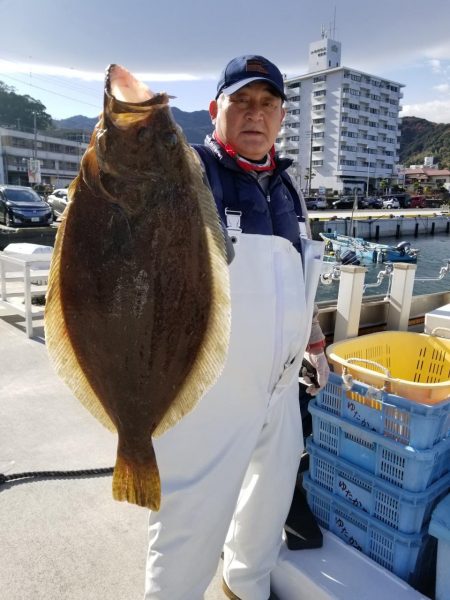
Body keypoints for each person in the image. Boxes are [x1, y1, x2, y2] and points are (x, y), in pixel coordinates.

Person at [144, 54, 330, 600]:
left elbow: (296, 280)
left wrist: (314, 340)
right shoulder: (189, 173)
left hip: (278, 386)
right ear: (214, 111)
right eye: (241, 102)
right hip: (207, 389)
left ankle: (242, 590)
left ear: (280, 117)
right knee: (187, 528)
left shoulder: (289, 188)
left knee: (264, 514)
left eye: (267, 104)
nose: (255, 114)